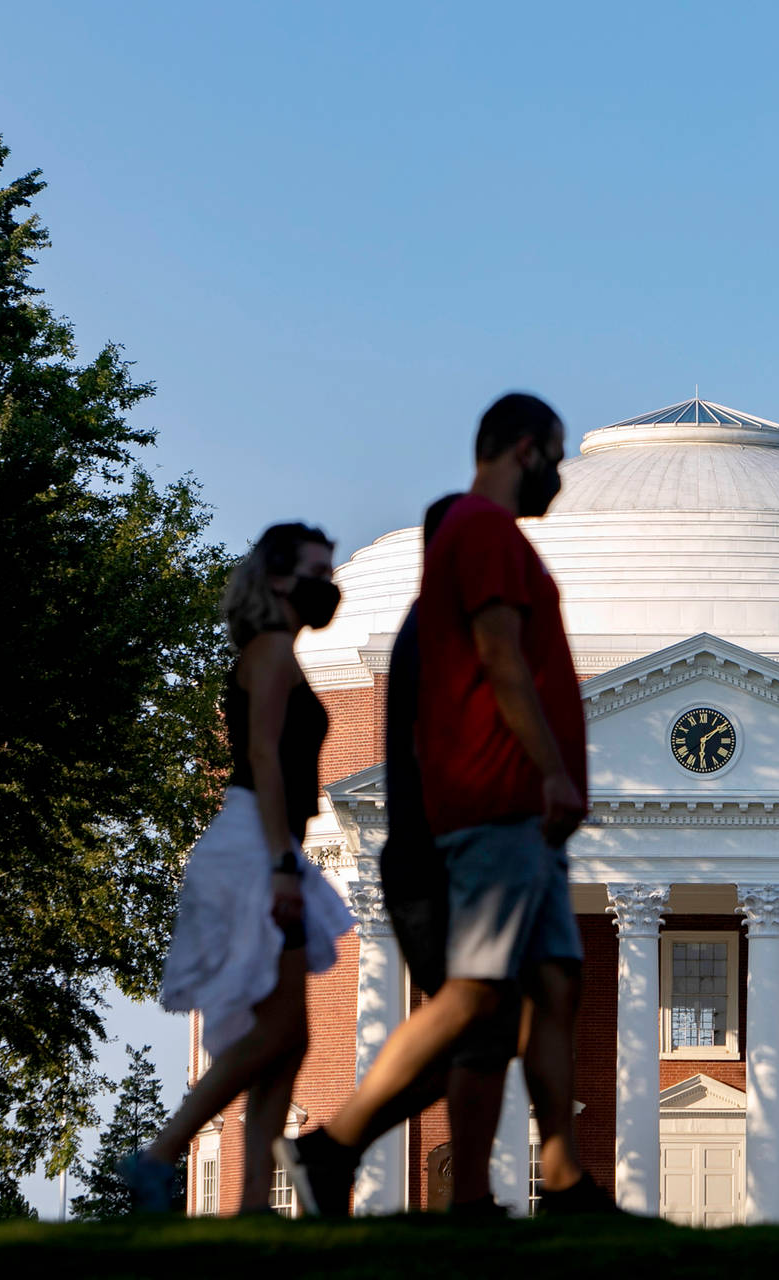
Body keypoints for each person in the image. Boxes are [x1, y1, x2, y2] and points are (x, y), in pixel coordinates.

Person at [278, 393, 611, 1216]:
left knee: (556, 985)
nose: (564, 479)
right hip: (502, 803)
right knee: (475, 994)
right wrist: (553, 775)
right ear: (525, 448)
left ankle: (563, 1179)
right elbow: (502, 660)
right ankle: (333, 1145)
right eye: (558, 458)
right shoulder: (484, 531)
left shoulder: (489, 538)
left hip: (522, 813)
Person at [275, 494, 530, 1218]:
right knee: (474, 1007)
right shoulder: (441, 628)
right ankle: (339, 1146)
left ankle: (369, 1158)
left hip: (439, 846)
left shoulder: (440, 624)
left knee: (485, 1022)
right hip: (436, 851)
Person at [125, 522, 355, 1214]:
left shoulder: (274, 650)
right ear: (280, 579)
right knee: (276, 1033)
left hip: (265, 842)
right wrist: (285, 864)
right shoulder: (273, 650)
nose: (329, 583)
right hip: (259, 845)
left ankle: (253, 1206)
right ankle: (161, 1154)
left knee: (291, 1036)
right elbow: (262, 758)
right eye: (318, 569)